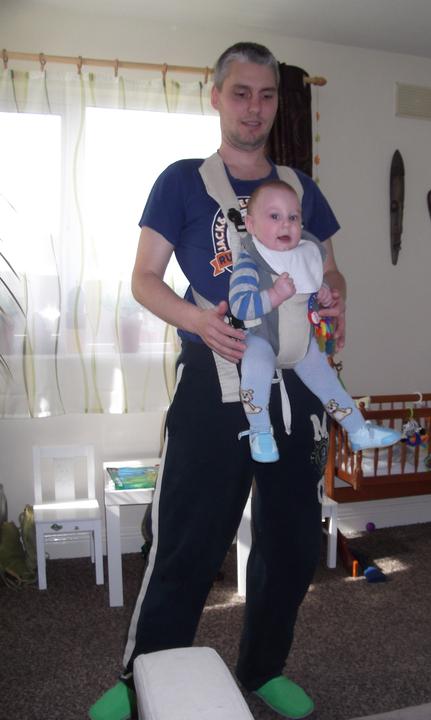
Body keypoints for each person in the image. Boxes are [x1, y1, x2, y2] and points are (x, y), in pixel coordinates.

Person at [90, 41, 348, 720]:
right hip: (213, 380)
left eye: (266, 95)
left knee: (292, 541)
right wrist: (199, 323)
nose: (254, 108)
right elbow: (144, 278)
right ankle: (139, 677)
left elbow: (329, 268)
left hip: (294, 386)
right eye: (241, 93)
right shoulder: (181, 181)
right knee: (186, 537)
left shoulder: (299, 188)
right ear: (216, 97)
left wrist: (336, 299)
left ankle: (263, 669)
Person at [230, 179, 400, 462]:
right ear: (250, 224)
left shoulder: (305, 255)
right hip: (264, 339)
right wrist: (273, 295)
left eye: (293, 217)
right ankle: (260, 433)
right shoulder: (250, 261)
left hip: (302, 344)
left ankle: (358, 430)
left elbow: (311, 292)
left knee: (328, 382)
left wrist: (323, 294)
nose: (286, 225)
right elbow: (240, 306)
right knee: (254, 372)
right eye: (274, 216)